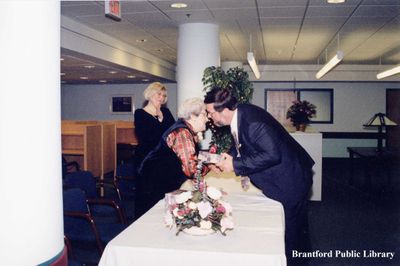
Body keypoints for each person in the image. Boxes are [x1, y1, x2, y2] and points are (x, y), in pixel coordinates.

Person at [204, 88, 314, 265]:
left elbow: (272, 155)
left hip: (291, 179)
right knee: (297, 226)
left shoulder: (252, 123)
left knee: (291, 230)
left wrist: (234, 165)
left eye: (210, 113)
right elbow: (242, 142)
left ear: (224, 111)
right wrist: (227, 158)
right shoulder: (240, 114)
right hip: (290, 174)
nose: (210, 117)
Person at [135, 97, 209, 218]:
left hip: (161, 182)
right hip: (154, 184)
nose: (207, 118)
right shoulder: (182, 133)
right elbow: (191, 169)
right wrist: (210, 166)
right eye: (204, 115)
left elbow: (193, 156)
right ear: (193, 116)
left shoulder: (186, 130)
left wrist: (210, 160)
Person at [134, 82, 175, 171]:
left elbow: (173, 133)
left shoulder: (166, 112)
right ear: (150, 94)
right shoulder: (139, 113)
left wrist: (161, 117)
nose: (161, 97)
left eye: (164, 95)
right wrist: (160, 120)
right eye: (159, 94)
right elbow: (145, 137)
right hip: (147, 157)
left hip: (165, 156)